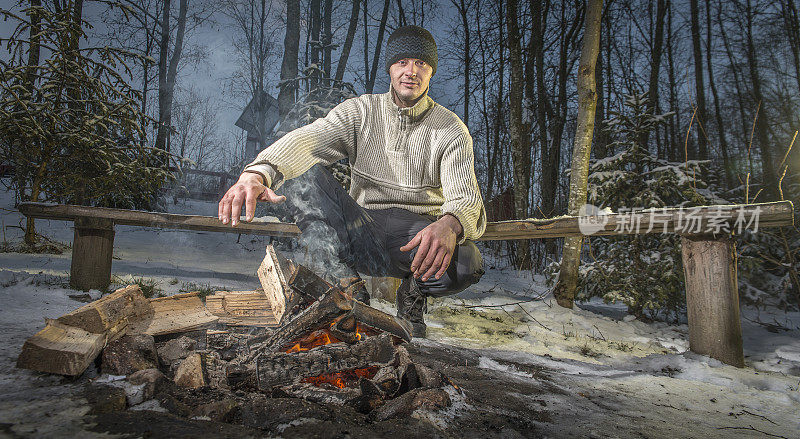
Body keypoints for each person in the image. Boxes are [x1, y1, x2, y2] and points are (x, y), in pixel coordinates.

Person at [218, 25, 486, 337]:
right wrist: (256, 174)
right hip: (360, 228)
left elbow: (465, 196)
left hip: (413, 239)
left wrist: (449, 223)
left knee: (467, 262)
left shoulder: (451, 129)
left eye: (421, 63)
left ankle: (413, 296)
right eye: (402, 62)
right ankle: (345, 283)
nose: (410, 71)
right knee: (303, 173)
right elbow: (308, 140)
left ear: (431, 72)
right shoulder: (361, 112)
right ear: (390, 67)